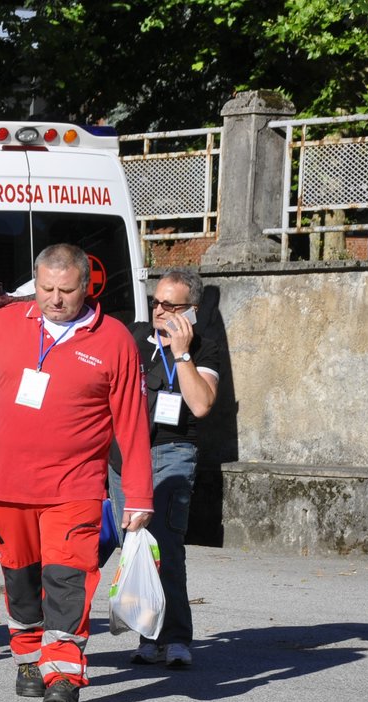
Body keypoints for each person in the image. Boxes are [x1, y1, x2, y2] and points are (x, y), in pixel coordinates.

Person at [0, 244, 153, 702]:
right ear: (34, 283)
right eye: (45, 288)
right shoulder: (6, 321)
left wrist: (139, 495)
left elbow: (133, 423)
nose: (55, 299)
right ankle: (28, 660)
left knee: (67, 578)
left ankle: (64, 672)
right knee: (20, 580)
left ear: (88, 286)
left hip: (74, 487)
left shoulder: (114, 339)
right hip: (6, 483)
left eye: (66, 290)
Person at [109, 267, 219, 668]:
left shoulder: (204, 347)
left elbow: (201, 404)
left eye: (170, 304)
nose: (160, 310)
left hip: (172, 451)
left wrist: (182, 353)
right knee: (135, 547)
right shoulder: (134, 338)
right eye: (157, 301)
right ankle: (147, 635)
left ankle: (175, 637)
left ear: (192, 309)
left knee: (166, 546)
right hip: (125, 456)